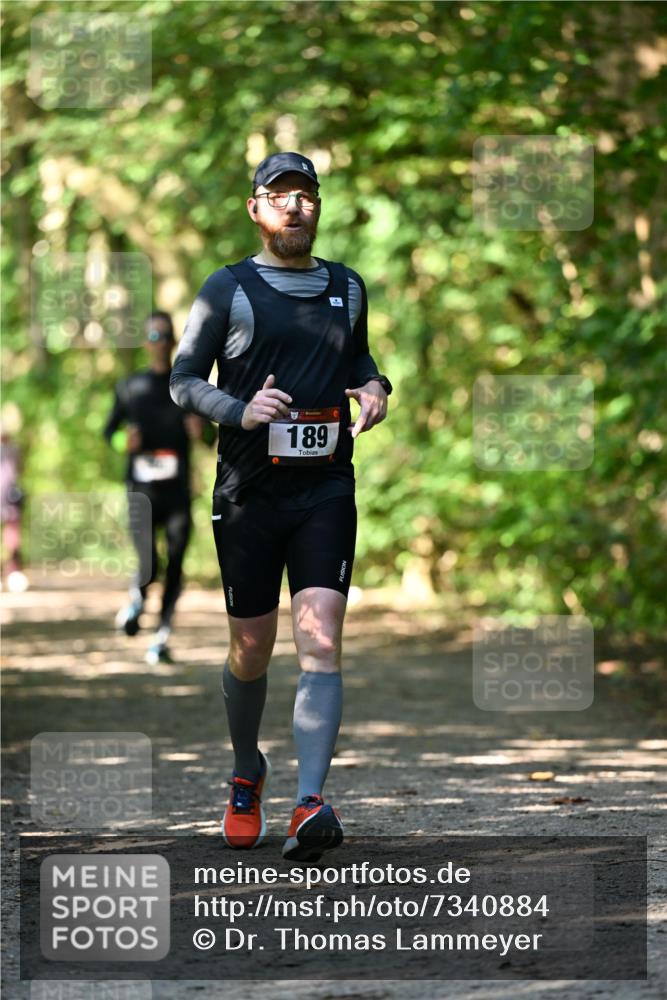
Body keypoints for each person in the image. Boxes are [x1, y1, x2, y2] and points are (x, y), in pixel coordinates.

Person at [170, 151, 392, 861]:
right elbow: (182, 381)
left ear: (317, 206)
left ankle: (310, 801)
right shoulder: (226, 289)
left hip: (326, 485)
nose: (294, 207)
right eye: (278, 195)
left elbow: (357, 359)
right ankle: (246, 770)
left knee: (321, 636)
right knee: (250, 649)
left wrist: (376, 385)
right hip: (248, 493)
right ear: (255, 209)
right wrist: (239, 409)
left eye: (305, 195)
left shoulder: (347, 287)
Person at [104, 312, 208, 666]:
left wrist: (201, 431)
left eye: (166, 335)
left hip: (177, 490)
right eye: (153, 334)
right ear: (146, 341)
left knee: (176, 562)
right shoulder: (130, 386)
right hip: (141, 489)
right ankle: (137, 599)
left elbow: (212, 435)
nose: (160, 341)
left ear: (173, 341)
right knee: (149, 560)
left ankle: (161, 636)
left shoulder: (187, 388)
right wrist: (124, 441)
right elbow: (109, 432)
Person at [1, 423, 29, 593]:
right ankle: (11, 572)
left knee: (12, 539)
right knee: (12, 537)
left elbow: (18, 470)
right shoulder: (15, 450)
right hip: (8, 499)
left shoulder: (13, 450)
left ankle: (13, 572)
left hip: (9, 499)